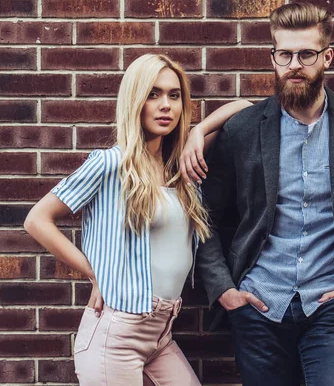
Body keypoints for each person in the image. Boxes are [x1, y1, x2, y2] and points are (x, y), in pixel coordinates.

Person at [189, 3, 334, 386]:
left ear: (326, 57)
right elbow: (201, 213)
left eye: (306, 54)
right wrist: (224, 290)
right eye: (285, 54)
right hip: (258, 305)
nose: (295, 64)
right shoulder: (244, 128)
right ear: (273, 57)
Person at [24, 53, 249, 386]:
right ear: (135, 101)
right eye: (153, 94)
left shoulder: (181, 169)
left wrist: (198, 131)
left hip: (161, 335)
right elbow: (37, 220)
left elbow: (245, 105)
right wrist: (94, 274)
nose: (165, 105)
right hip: (115, 334)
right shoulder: (110, 165)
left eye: (174, 96)